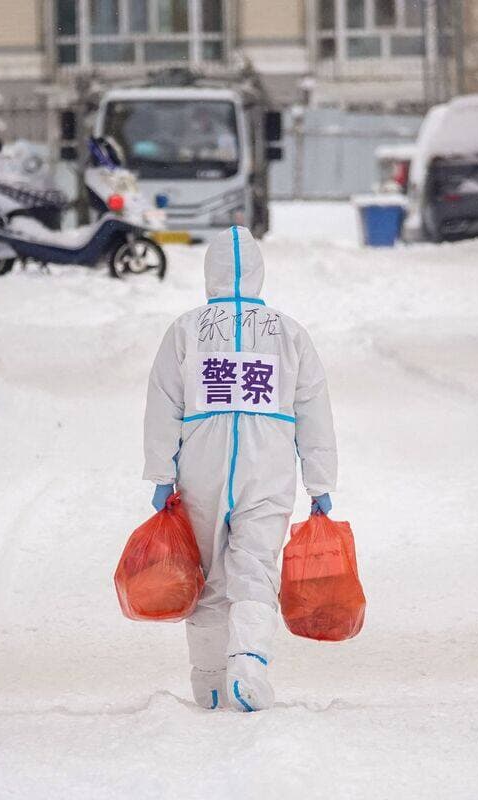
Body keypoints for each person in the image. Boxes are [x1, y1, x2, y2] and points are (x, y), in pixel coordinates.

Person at [143, 226, 337, 712]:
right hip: (268, 465)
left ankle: (208, 684)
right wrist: (320, 481)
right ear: (257, 274)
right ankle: (249, 665)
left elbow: (163, 403)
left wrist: (162, 472)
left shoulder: (186, 329)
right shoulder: (287, 332)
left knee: (206, 573)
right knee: (254, 568)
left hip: (200, 465)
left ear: (210, 273)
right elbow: (314, 409)